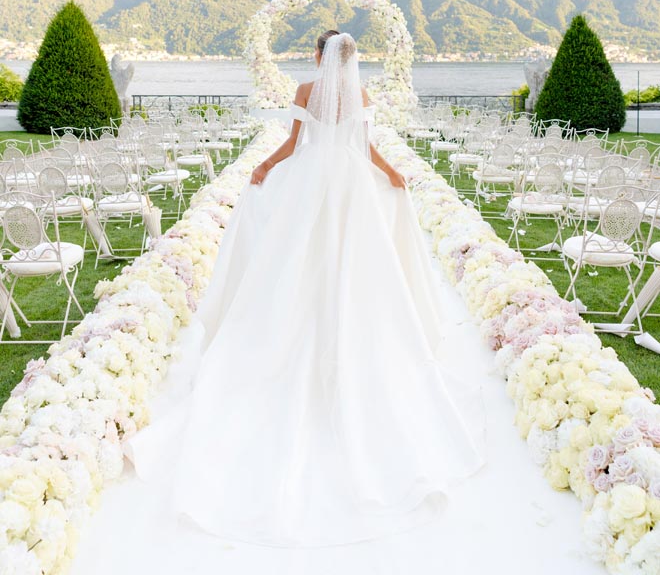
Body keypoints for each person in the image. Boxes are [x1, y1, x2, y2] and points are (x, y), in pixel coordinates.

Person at [127, 30, 485, 548]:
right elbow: (369, 148)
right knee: (353, 264)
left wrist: (266, 166)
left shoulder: (302, 91)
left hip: (310, 180)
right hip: (353, 184)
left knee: (294, 260)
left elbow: (294, 145)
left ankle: (291, 332)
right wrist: (393, 175)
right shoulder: (362, 96)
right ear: (353, 60)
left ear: (320, 56)